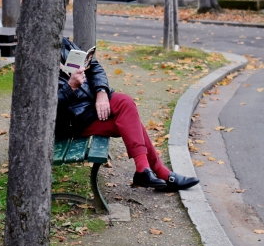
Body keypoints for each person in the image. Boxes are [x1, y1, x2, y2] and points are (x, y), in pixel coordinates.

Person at [56, 37, 199, 192]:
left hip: (93, 104)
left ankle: (144, 170)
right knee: (130, 123)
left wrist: (101, 92)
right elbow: (44, 107)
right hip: (75, 119)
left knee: (125, 102)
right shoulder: (33, 60)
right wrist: (70, 87)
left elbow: (94, 67)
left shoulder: (62, 43)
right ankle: (159, 172)